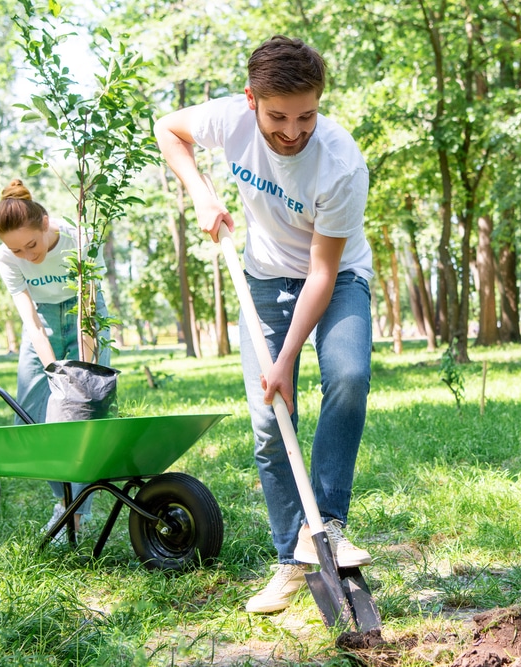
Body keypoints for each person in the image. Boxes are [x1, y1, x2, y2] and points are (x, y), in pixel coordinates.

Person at [154, 35, 374, 614]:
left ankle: (325, 525)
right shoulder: (231, 119)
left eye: (307, 114)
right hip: (265, 278)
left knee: (348, 377)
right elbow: (167, 129)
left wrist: (285, 358)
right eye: (279, 116)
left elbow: (323, 274)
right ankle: (290, 561)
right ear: (252, 101)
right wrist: (201, 194)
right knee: (271, 420)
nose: (294, 130)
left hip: (337, 275)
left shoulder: (342, 164)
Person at [0, 179, 110, 541]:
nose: (28, 256)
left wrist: (82, 372)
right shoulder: (6, 257)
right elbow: (30, 321)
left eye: (31, 244)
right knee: (30, 410)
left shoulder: (80, 238)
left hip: (82, 311)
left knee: (83, 408)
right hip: (42, 317)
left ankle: (75, 513)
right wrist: (54, 372)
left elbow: (89, 309)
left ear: (45, 224)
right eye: (17, 251)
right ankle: (64, 500)